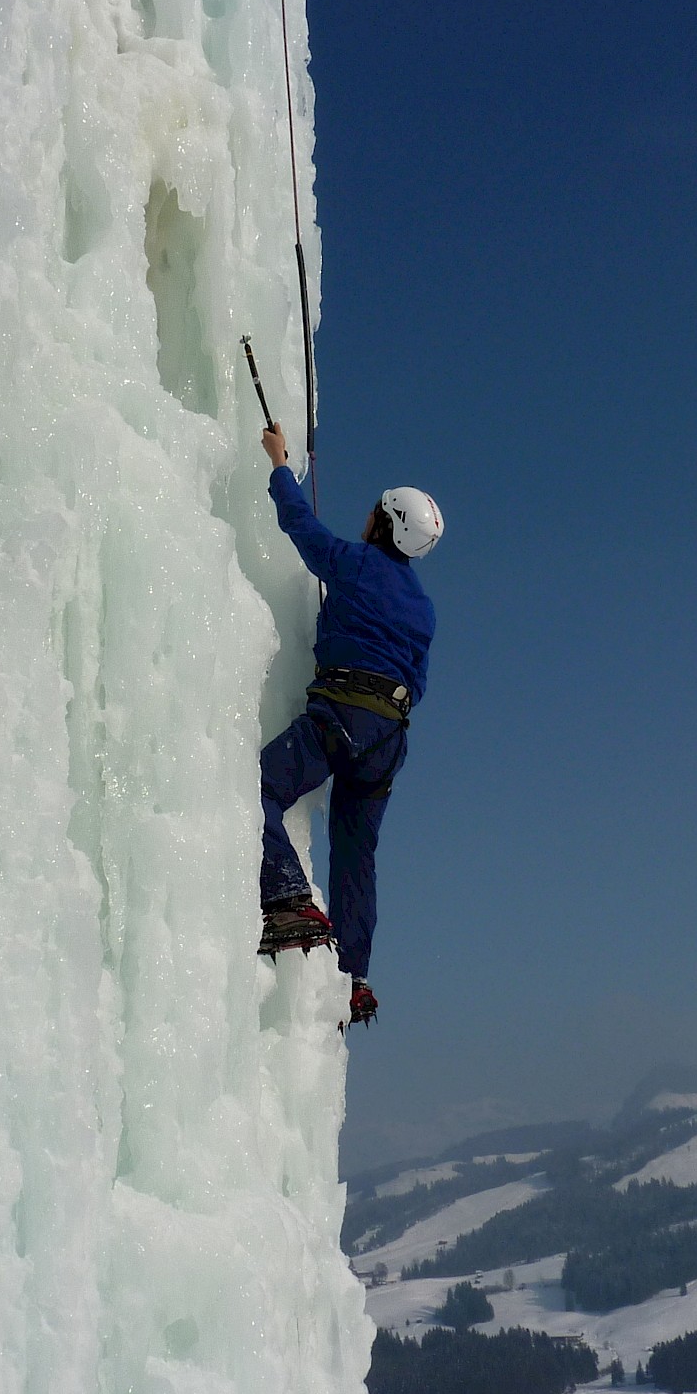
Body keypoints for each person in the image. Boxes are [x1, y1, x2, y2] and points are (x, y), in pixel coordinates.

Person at [258, 422, 443, 1025]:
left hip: (343, 713)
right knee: (356, 857)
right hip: (389, 739)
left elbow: (301, 529)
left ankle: (287, 894)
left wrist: (281, 465)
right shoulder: (423, 608)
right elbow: (416, 681)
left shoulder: (356, 563)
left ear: (385, 523)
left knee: (256, 786)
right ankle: (354, 978)